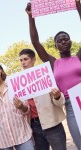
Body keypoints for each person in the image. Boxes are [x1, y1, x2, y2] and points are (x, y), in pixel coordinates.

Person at [25, 0, 81, 149]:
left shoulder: (78, 57)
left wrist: (79, 8)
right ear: (55, 45)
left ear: (70, 41)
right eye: (59, 40)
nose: (63, 41)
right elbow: (36, 42)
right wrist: (31, 17)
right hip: (70, 106)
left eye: (66, 38)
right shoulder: (53, 62)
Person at [0, 60, 34, 150]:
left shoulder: (15, 85)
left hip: (22, 135)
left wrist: (21, 106)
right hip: (1, 141)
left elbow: (27, 109)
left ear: (0, 69)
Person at [19, 48, 66, 150]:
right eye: (21, 60)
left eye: (25, 59)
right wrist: (20, 106)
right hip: (34, 127)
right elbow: (24, 109)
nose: (23, 63)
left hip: (53, 124)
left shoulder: (46, 75)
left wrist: (57, 96)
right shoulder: (19, 83)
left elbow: (61, 102)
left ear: (33, 60)